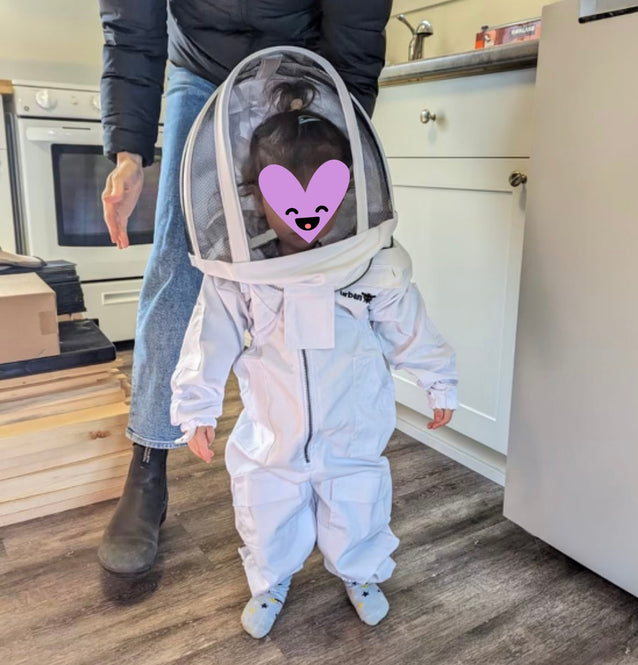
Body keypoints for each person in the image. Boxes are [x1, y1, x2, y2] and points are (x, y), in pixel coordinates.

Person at [96, 0, 393, 577]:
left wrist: (344, 116)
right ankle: (148, 462)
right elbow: (130, 27)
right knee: (178, 259)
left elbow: (357, 17)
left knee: (317, 251)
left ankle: (314, 442)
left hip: (304, 63)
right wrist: (130, 152)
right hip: (200, 68)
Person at [170, 50, 458, 639]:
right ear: (254, 195)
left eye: (323, 192)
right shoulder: (240, 276)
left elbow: (410, 322)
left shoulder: (370, 263)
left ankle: (360, 570)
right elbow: (209, 338)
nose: (308, 213)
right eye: (286, 195)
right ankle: (271, 577)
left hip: (353, 424)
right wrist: (196, 405)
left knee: (358, 500)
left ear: (350, 188)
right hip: (272, 429)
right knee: (265, 503)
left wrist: (438, 378)